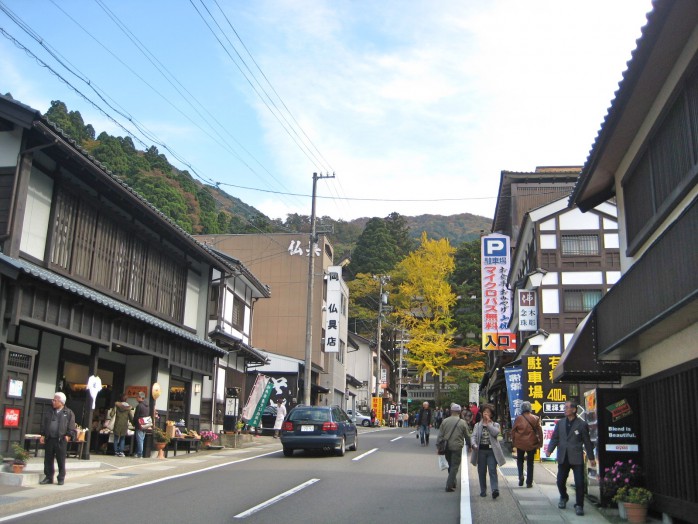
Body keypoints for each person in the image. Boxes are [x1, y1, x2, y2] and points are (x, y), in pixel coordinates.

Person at [546, 401, 596, 517]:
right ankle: (564, 497)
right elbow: (555, 438)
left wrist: (591, 457)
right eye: (565, 407)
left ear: (574, 410)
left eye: (567, 407)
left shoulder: (581, 424)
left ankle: (579, 505)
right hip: (563, 456)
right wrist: (549, 450)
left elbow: (587, 442)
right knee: (560, 481)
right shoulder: (560, 423)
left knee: (579, 483)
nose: (565, 409)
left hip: (576, 457)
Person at [39, 392, 77, 485]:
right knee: (48, 459)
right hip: (50, 438)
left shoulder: (68, 412)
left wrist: (68, 435)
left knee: (60, 459)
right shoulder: (50, 411)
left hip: (61, 439)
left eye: (55, 400)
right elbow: (45, 424)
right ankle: (48, 477)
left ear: (61, 402)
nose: (53, 402)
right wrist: (43, 435)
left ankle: (61, 477)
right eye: (53, 400)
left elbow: (71, 426)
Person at [470, 404, 506, 499]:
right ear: (482, 413)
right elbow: (473, 436)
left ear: (491, 414)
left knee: (492, 470)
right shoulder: (477, 425)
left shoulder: (495, 425)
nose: (486, 414)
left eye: (488, 412)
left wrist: (489, 424)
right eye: (484, 412)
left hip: (492, 451)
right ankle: (483, 490)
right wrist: (473, 444)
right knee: (481, 471)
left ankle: (495, 489)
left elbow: (495, 433)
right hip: (481, 450)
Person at [438, 403, 471, 492]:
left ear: (451, 411)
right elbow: (467, 436)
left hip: (446, 447)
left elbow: (440, 436)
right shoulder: (462, 422)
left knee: (450, 465)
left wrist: (438, 447)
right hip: (457, 446)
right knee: (455, 466)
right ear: (460, 412)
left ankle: (453, 482)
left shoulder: (445, 421)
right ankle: (449, 485)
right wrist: (470, 445)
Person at [511, 400, 544, 488]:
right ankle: (529, 482)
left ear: (522, 408)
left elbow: (513, 430)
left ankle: (521, 476)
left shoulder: (518, 418)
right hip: (531, 443)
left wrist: (514, 442)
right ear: (530, 408)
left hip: (520, 442)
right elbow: (539, 431)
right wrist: (540, 443)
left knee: (520, 461)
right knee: (530, 463)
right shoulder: (536, 418)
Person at [133, 391, 150, 458]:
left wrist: (134, 422)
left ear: (140, 397)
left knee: (139, 439)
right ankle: (138, 453)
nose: (136, 399)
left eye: (137, 397)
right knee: (141, 439)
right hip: (145, 424)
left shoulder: (139, 406)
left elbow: (136, 416)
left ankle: (140, 453)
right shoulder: (147, 406)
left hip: (139, 424)